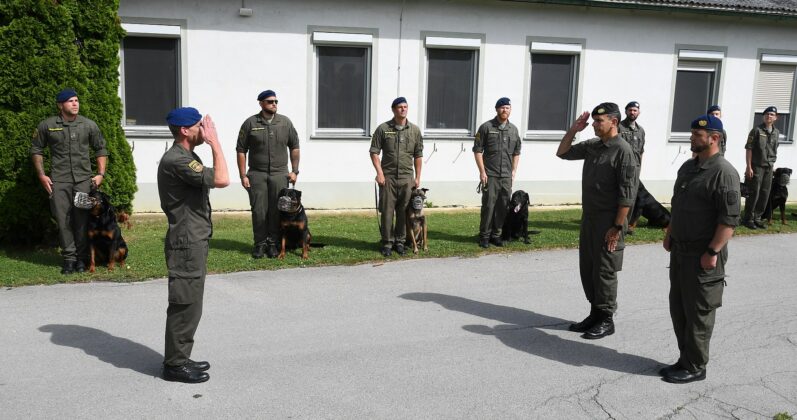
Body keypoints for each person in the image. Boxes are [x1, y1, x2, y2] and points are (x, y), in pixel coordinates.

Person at [661, 114, 740, 384]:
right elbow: (677, 204)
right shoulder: (688, 167)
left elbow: (728, 220)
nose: (692, 138)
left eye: (697, 134)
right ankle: (686, 358)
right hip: (681, 252)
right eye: (693, 133)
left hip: (703, 255)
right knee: (679, 308)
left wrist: (713, 251)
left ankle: (696, 366)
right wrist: (670, 232)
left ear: (714, 138)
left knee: (699, 312)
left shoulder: (724, 173)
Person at [158, 107, 229, 383]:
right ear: (185, 131)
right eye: (200, 126)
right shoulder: (177, 160)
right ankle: (174, 365)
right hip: (186, 242)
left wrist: (209, 142)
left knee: (191, 304)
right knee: (184, 303)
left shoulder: (187, 156)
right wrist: (216, 142)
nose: (205, 129)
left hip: (193, 239)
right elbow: (222, 179)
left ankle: (181, 357)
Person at [556, 103, 639, 340]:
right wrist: (573, 130)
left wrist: (616, 227)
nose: (594, 124)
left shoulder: (623, 151)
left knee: (604, 270)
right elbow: (562, 153)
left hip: (610, 221)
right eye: (593, 121)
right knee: (589, 267)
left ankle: (606, 318)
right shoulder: (594, 146)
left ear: (613, 122)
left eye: (598, 121)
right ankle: (594, 313)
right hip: (590, 217)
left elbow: (627, 195)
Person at [30, 88, 108, 275]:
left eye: (76, 100)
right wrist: (42, 175)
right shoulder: (47, 125)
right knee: (63, 219)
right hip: (59, 181)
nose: (75, 104)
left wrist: (100, 174)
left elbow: (101, 149)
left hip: (83, 180)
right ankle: (69, 259)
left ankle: (82, 259)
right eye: (70, 101)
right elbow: (36, 150)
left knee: (81, 219)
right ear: (60, 105)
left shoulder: (88, 125)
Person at [236, 90, 301, 259]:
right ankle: (259, 244)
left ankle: (273, 244)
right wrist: (243, 175)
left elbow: (294, 146)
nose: (274, 104)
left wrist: (294, 171)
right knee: (259, 210)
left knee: (277, 210)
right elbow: (241, 150)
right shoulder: (250, 123)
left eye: (276, 101)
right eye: (270, 101)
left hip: (280, 174)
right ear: (261, 103)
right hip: (257, 174)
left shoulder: (285, 123)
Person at [369, 97, 423, 257]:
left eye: (405, 107)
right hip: (388, 178)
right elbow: (374, 152)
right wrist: (379, 173)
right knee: (387, 211)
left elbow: (418, 155)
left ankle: (400, 242)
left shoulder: (414, 130)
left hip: (407, 178)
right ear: (393, 109)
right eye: (400, 107)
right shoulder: (383, 129)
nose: (403, 109)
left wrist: (418, 177)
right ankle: (387, 242)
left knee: (404, 211)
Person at [473, 97, 521, 248]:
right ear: (496, 109)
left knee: (503, 205)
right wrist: (482, 172)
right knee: (488, 206)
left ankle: (496, 234)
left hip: (506, 175)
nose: (504, 110)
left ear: (510, 110)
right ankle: (484, 236)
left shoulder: (513, 130)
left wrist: (513, 171)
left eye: (507, 107)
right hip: (490, 175)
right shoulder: (486, 127)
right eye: (502, 107)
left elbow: (517, 152)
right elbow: (477, 150)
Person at [742, 106, 779, 230]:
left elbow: (773, 149)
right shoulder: (756, 130)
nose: (769, 116)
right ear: (764, 116)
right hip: (756, 166)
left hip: (769, 167)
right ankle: (748, 219)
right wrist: (749, 167)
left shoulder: (776, 132)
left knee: (765, 193)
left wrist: (772, 164)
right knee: (754, 193)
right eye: (767, 114)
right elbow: (749, 148)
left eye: (772, 114)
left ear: (776, 117)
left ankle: (757, 218)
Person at [618, 101, 646, 234]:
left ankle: (627, 225)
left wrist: (639, 168)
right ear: (626, 111)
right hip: (621, 167)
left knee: (632, 197)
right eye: (630, 110)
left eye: (635, 110)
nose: (632, 112)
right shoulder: (619, 127)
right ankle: (618, 223)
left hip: (635, 169)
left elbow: (641, 151)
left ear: (639, 112)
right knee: (621, 195)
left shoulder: (641, 131)